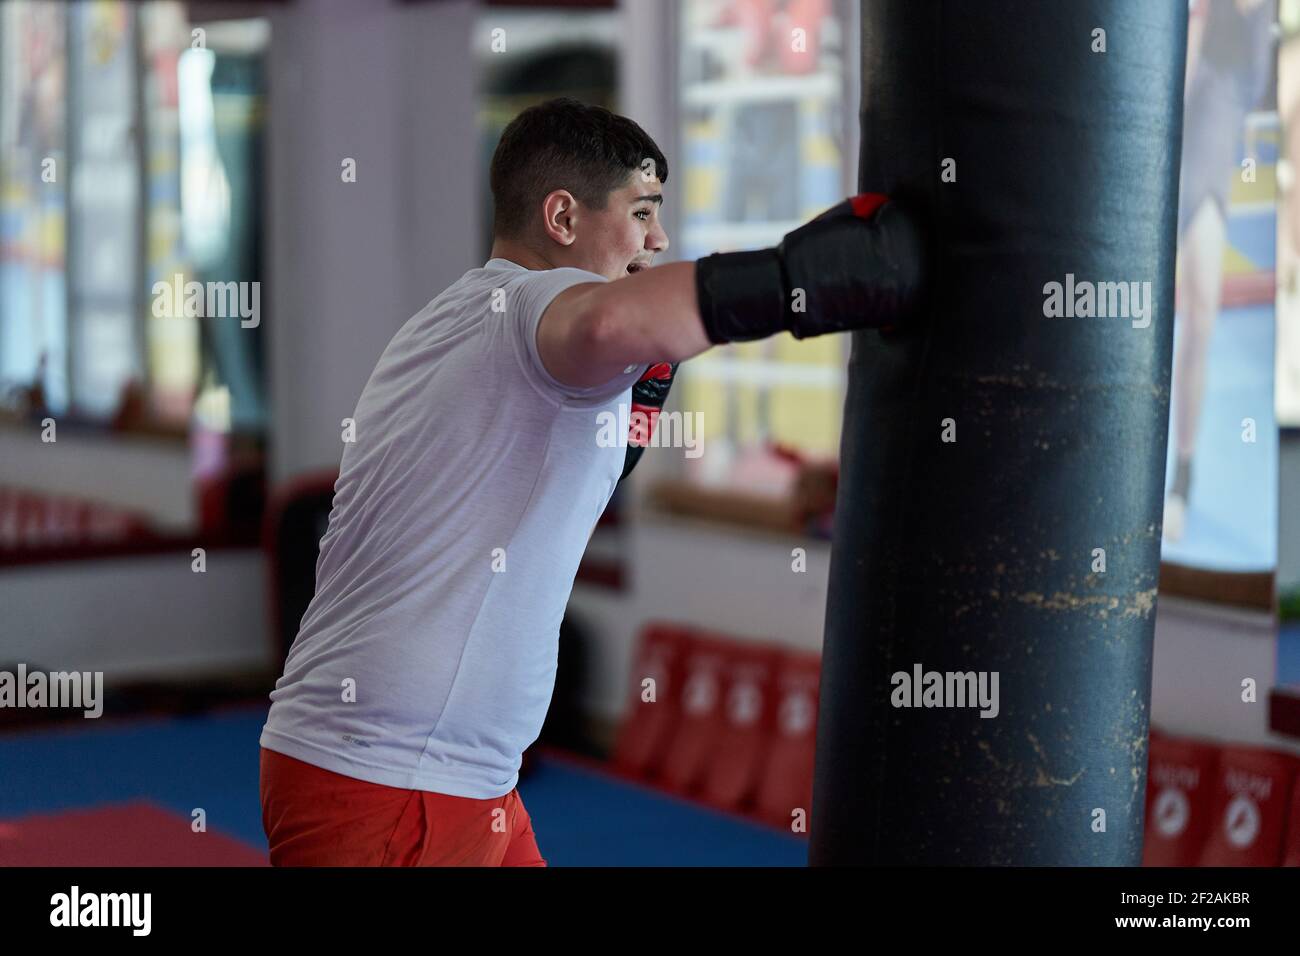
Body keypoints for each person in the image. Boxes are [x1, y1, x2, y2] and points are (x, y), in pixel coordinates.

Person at [258, 97, 922, 866]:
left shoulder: (462, 316)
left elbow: (596, 413)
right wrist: (807, 278)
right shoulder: (536, 309)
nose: (659, 236)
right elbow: (608, 326)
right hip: (391, 783)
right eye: (642, 212)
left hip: (450, 780)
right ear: (563, 219)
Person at [1166, 0, 1276, 541]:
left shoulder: (1262, 25)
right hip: (1170, 121)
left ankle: (1183, 476)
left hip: (1212, 141)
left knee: (1203, 313)